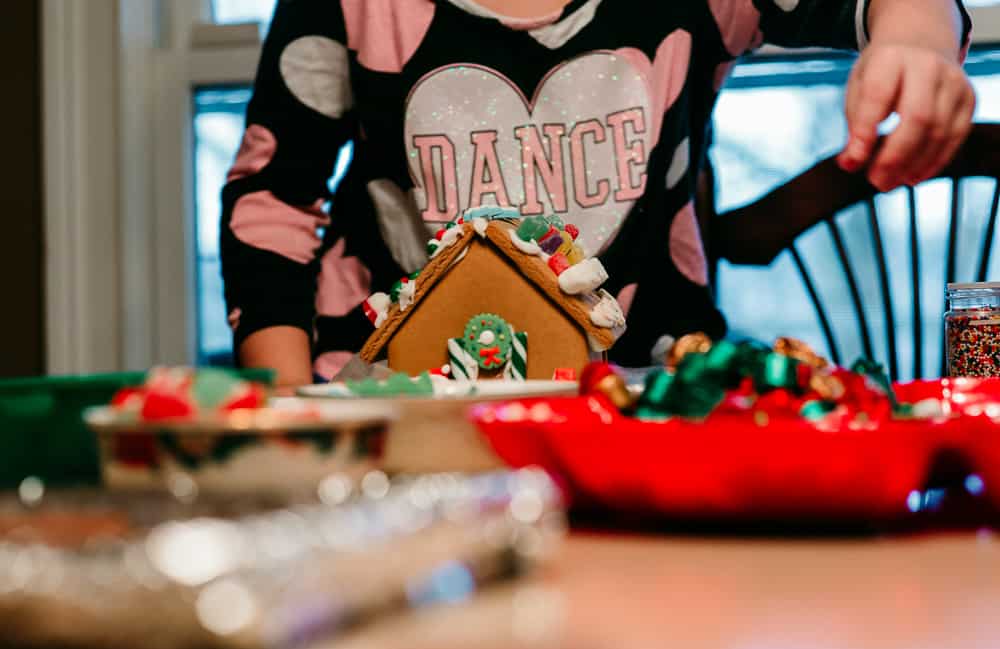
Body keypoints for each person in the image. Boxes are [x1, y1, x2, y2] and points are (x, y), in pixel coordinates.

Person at [222, 0, 974, 388]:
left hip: (644, 408)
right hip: (394, 420)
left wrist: (918, 40)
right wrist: (291, 412)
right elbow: (272, 201)